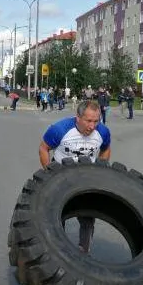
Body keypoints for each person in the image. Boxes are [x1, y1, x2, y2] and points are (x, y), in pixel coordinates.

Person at [39, 101, 111, 253]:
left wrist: (101, 168)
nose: (92, 126)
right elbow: (44, 148)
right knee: (57, 215)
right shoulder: (59, 129)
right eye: (88, 121)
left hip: (86, 178)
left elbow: (106, 148)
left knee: (88, 217)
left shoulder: (102, 132)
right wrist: (49, 173)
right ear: (78, 117)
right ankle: (57, 250)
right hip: (61, 176)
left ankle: (83, 251)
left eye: (96, 121)